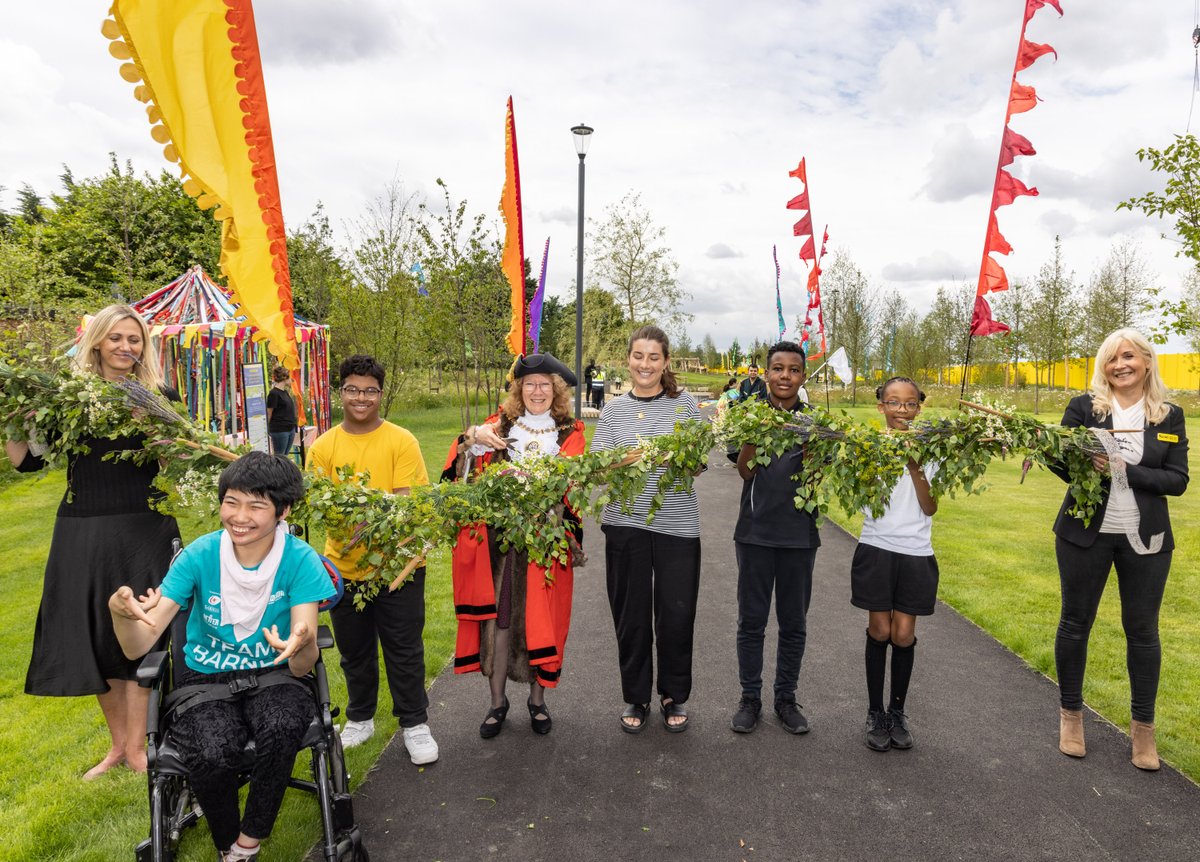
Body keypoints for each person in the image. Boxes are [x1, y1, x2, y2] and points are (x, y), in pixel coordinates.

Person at [108, 452, 334, 862]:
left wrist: (302, 645)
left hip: (278, 673)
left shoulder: (301, 561)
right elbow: (137, 645)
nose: (239, 516)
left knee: (283, 725)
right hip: (205, 678)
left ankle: (248, 842)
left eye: (256, 505)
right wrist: (119, 614)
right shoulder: (198, 556)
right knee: (212, 749)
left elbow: (302, 661)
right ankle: (228, 844)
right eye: (231, 502)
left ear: (282, 510)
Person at [4, 304, 181, 779]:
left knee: (142, 631)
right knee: (97, 635)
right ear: (97, 341)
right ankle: (118, 748)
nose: (127, 347)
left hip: (144, 526)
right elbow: (27, 462)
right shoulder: (69, 398)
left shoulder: (157, 394)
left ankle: (143, 747)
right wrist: (12, 414)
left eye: (135, 339)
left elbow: (176, 464)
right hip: (82, 529)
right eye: (117, 338)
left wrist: (159, 434)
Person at [1050, 329, 1188, 771]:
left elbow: (1178, 480)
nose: (1120, 364)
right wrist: (1076, 458)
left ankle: (1142, 731)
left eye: (1129, 356)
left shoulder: (1169, 416)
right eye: (1111, 358)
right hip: (1085, 534)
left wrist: (1125, 469)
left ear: (1147, 362)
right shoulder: (1084, 408)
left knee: (1143, 630)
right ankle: (1071, 716)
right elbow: (1057, 460)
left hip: (1145, 540)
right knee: (1075, 622)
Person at [442, 353, 584, 738]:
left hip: (546, 543)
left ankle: (538, 701)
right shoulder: (497, 425)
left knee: (544, 620)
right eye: (529, 384)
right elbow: (458, 467)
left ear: (556, 391)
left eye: (545, 385)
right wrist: (472, 439)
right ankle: (496, 702)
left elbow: (576, 487)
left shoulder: (570, 431)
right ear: (518, 389)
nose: (537, 391)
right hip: (501, 545)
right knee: (501, 621)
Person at [306, 355, 438, 764]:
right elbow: (320, 505)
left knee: (404, 648)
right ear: (339, 392)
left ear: (381, 395)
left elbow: (405, 505)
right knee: (354, 651)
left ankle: (414, 724)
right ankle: (360, 718)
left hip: (398, 568)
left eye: (370, 390)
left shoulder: (402, 441)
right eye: (352, 389)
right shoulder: (324, 447)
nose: (361, 398)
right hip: (342, 570)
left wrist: (362, 508)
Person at [590, 325, 701, 733]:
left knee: (676, 615)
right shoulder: (614, 411)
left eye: (654, 357)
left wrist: (678, 459)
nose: (645, 365)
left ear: (666, 362)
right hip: (625, 524)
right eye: (639, 356)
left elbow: (698, 464)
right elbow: (597, 467)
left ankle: (673, 694)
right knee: (631, 616)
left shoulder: (686, 406)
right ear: (628, 360)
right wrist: (627, 459)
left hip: (677, 526)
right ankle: (635, 695)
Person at [729, 342, 819, 736]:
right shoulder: (746, 414)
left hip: (800, 536)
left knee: (793, 623)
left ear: (803, 376)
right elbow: (745, 470)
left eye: (794, 370)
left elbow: (818, 474)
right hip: (755, 534)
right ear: (766, 374)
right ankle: (750, 697)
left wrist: (814, 443)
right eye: (778, 369)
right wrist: (758, 429)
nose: (785, 376)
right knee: (752, 621)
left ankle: (786, 698)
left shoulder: (817, 420)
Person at [850, 377, 939, 752]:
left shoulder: (934, 449)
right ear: (881, 407)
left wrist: (913, 461)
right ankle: (875, 713)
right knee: (880, 630)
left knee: (903, 634)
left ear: (920, 407)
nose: (902, 410)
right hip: (877, 548)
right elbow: (865, 500)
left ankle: (897, 711)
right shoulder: (866, 448)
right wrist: (885, 457)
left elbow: (930, 505)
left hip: (916, 551)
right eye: (894, 402)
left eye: (910, 403)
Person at [265, 365, 298, 457]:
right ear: (285, 378)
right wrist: (267, 429)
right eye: (290, 378)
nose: (292, 381)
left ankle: (284, 471)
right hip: (280, 429)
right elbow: (269, 412)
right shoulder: (273, 393)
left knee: (285, 456)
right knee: (280, 456)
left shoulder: (285, 392)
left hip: (290, 428)